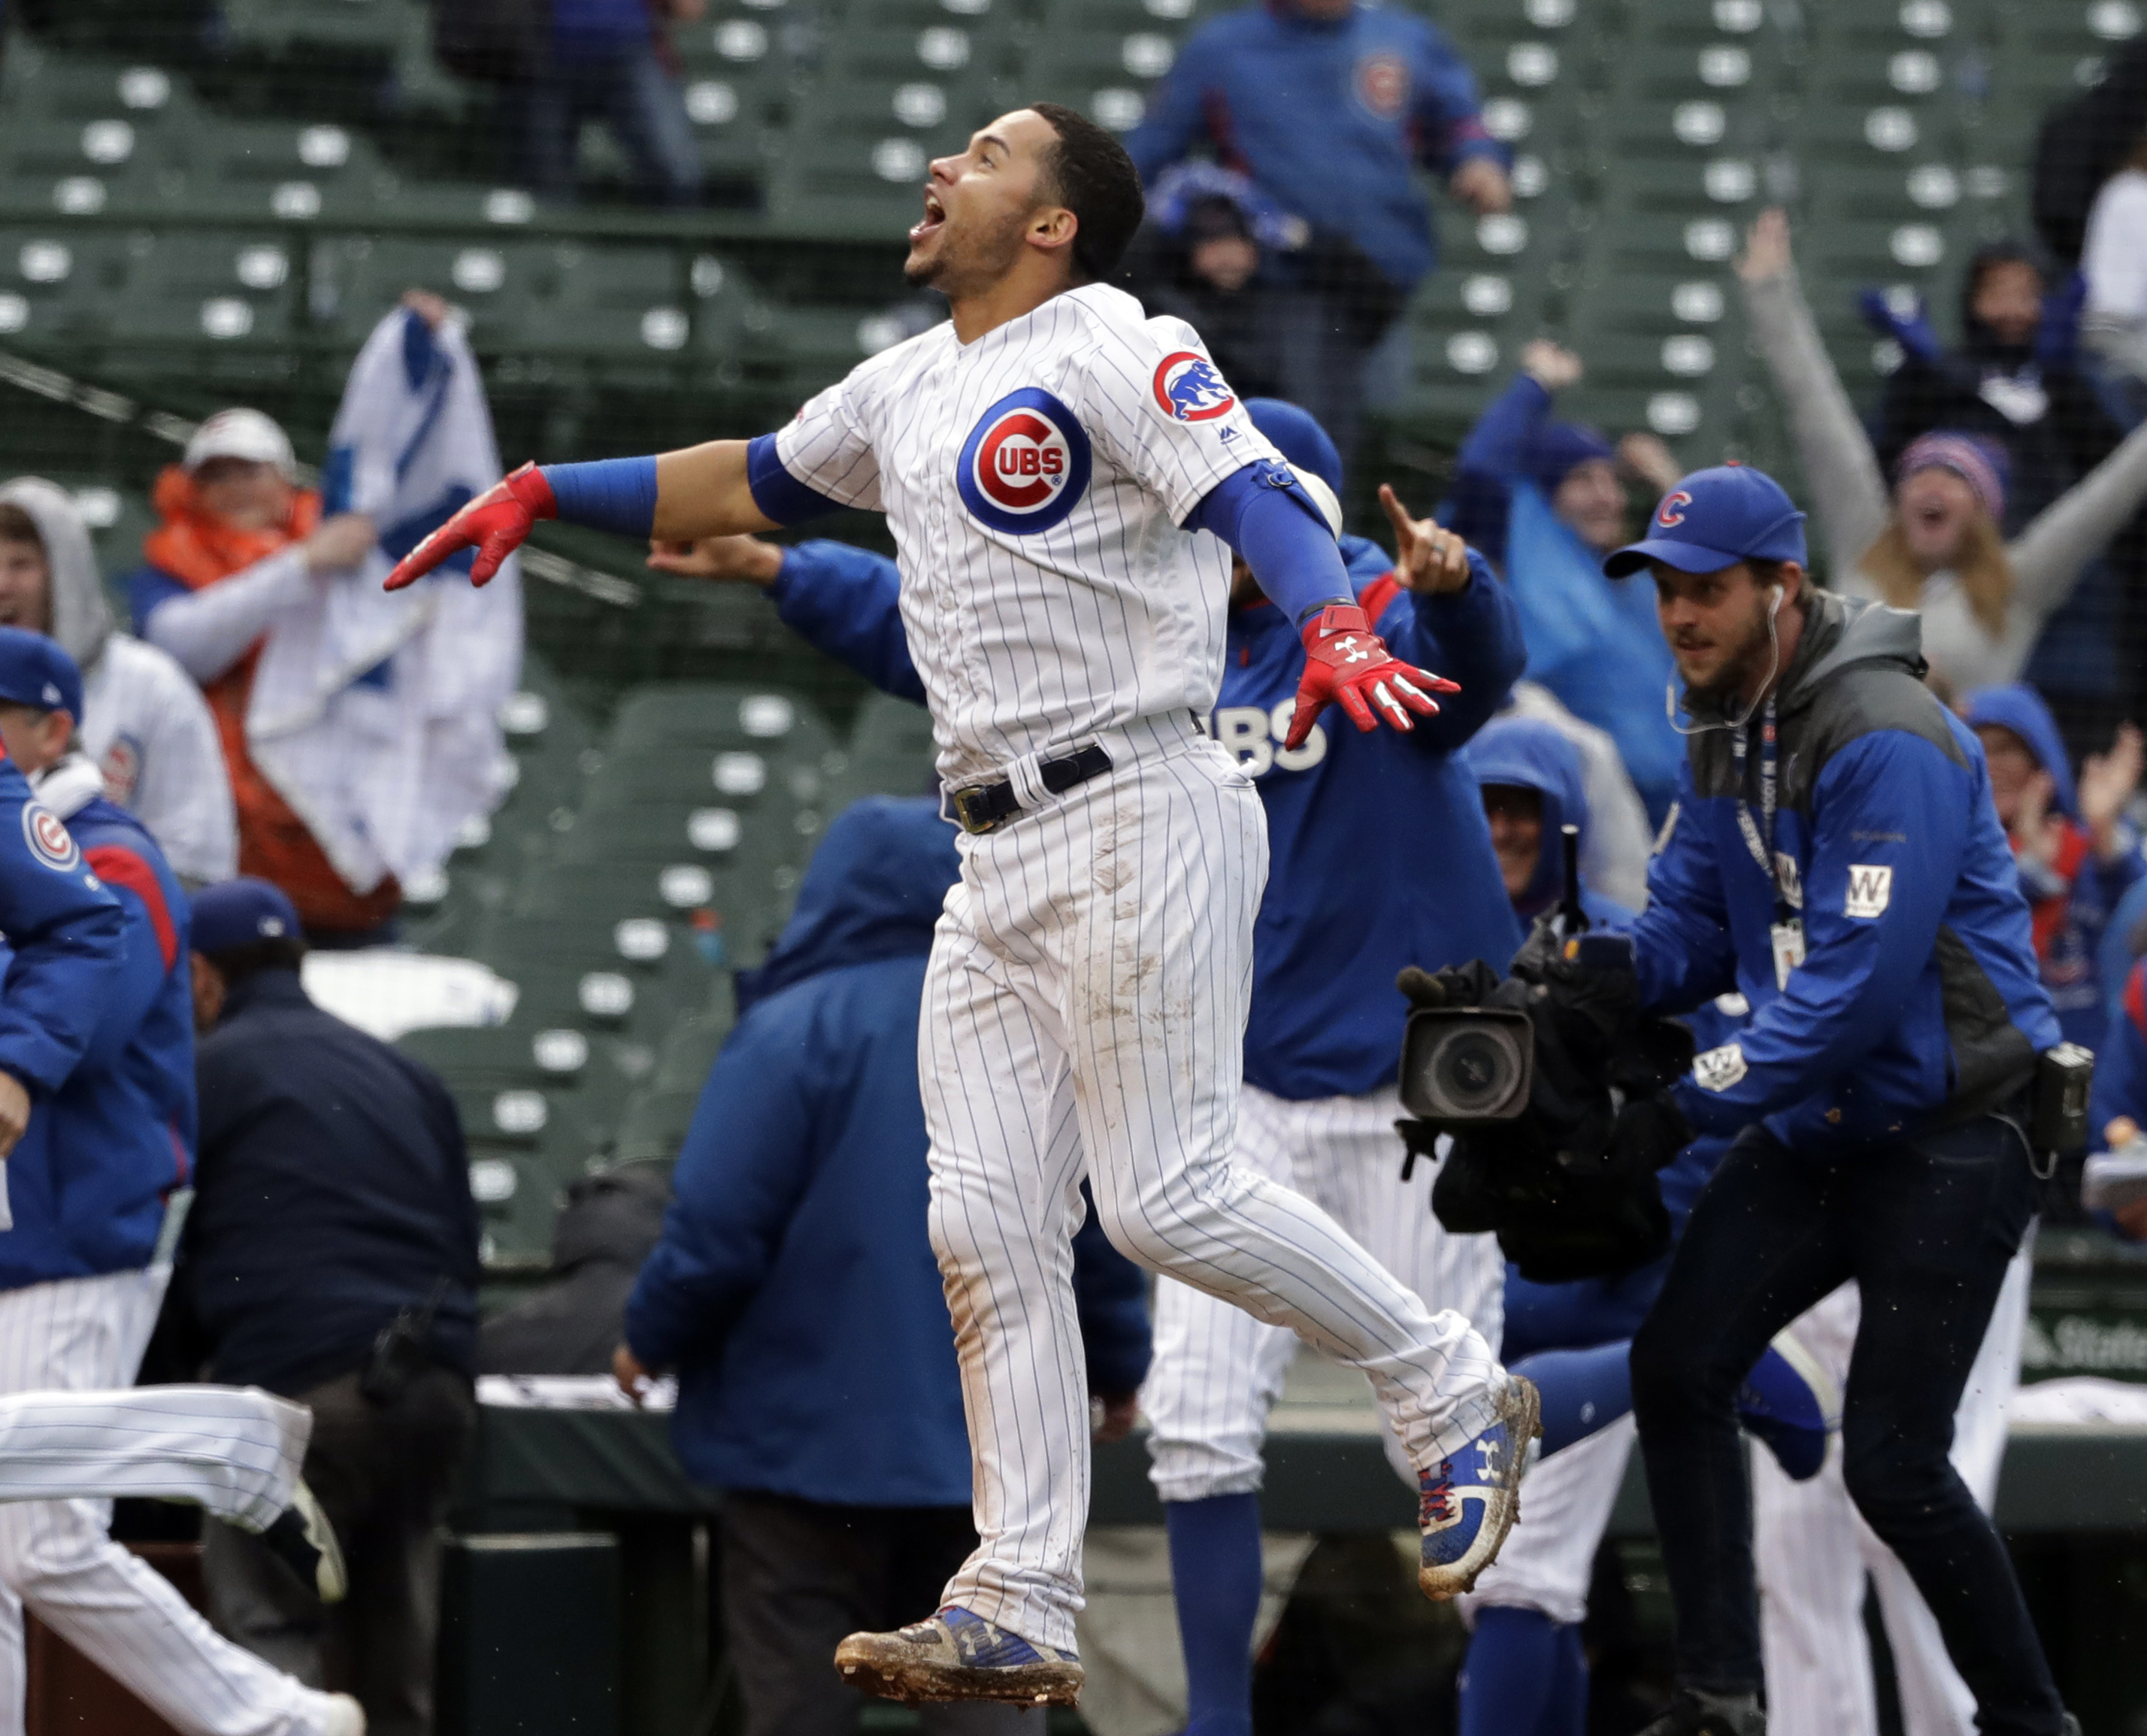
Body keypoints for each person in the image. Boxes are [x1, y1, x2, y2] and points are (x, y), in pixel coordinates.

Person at [384, 102, 1539, 1708]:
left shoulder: (1115, 340)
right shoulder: (907, 382)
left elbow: (1258, 491)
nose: (943, 166)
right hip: (990, 847)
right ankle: (1019, 1582)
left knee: (1164, 1195)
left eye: (989, 155)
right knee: (981, 1223)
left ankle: (1448, 1387)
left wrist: (1338, 614)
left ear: (1057, 220)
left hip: (1142, 797)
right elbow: (754, 478)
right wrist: (544, 485)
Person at [639, 394, 1527, 1736]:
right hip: (1245, 1078)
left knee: (1461, 1471)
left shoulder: (1366, 616)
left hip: (1410, 1088)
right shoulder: (1149, 638)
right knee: (1199, 1427)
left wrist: (1461, 589)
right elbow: (942, 640)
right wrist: (784, 566)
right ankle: (1212, 1720)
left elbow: (1475, 670)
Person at [1578, 464, 2076, 1736]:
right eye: (1666, 591)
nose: (1680, 614)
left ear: (1780, 587)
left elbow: (1856, 985)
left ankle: (2029, 1719)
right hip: (1828, 1122)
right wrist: (1601, 975)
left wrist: (1689, 1099)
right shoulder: (1717, 715)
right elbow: (1692, 921)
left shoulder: (1883, 729)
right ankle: (1720, 1696)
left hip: (1962, 1127)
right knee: (1680, 1361)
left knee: (1894, 1465)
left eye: (1706, 590)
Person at [614, 795, 1151, 1736]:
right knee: (984, 1709)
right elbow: (1095, 1232)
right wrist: (1115, 1369)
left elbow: (716, 1235)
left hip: (798, 1461)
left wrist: (649, 1340)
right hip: (988, 1459)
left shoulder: (790, 1031)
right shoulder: (1032, 1029)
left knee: (798, 1712)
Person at [0, 631, 363, 1736]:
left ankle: (278, 1719)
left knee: (40, 1539)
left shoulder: (114, 854)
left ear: (56, 729)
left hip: (73, 1234)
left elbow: (95, 1026)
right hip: (24, 1233)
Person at [1450, 720, 1828, 1736]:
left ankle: (1684, 1357)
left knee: (1521, 1574)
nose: (1503, 828)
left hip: (1594, 1281)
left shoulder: (1620, 947)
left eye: (1523, 807)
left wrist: (1640, 1229)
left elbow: (1708, 1114)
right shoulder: (1427, 939)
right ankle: (1694, 1363)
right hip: (1469, 1286)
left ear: (1561, 821)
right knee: (1536, 1577)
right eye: (1485, 804)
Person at [163, 875, 480, 1736]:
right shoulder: (407, 1071)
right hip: (431, 1390)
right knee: (397, 1653)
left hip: (299, 1391)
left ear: (201, 976)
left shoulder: (208, 1070)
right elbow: (462, 1247)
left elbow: (169, 1255)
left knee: (272, 1643)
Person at [132, 300, 523, 946]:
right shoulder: (172, 564)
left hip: (334, 832)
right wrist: (302, 566)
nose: (235, 489)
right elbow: (183, 642)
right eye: (217, 474)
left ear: (284, 480)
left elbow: (419, 508)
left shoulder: (350, 553)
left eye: (249, 471)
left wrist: (420, 353)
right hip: (226, 835)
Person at [1737, 207, 2147, 706]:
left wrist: (2067, 381)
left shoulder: (2017, 585)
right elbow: (1818, 418)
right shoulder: (1864, 544)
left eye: (1957, 479)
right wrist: (1770, 292)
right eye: (1920, 474)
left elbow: (2109, 494)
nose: (1932, 485)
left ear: (1985, 512)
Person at [1124, 0, 1512, 462]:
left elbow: (1458, 121)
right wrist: (1202, 232)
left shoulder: (1403, 39)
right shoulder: (1224, 48)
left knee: (1365, 438)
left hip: (1379, 289)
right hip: (1279, 290)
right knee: (1295, 443)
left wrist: (1478, 160)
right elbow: (1146, 165)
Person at [1441, 343, 1687, 826]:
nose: (1608, 497)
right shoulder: (1521, 545)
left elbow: (1718, 564)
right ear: (1545, 496)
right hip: (1575, 809)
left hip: (1676, 805)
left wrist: (1668, 483)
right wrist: (1537, 383)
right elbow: (1481, 469)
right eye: (1583, 480)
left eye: (1612, 480)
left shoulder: (1625, 578)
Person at [0, 477, 235, 886]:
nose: (2, 587)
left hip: (118, 930)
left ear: (65, 573)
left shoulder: (152, 684)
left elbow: (199, 858)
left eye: (22, 565)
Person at [1959, 683, 2144, 1049]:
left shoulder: (2091, 842)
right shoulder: (1957, 853)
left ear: (2040, 758)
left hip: (2093, 1061)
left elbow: (2137, 918)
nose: (1991, 764)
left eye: (2007, 749)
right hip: (1996, 1059)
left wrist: (2104, 827)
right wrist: (2031, 872)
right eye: (1977, 748)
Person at [522, 0, 704, 207]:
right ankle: (557, 237)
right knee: (546, 183)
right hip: (546, 56)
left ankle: (666, 237)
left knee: (676, 169)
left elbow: (690, 9)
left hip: (631, 49)